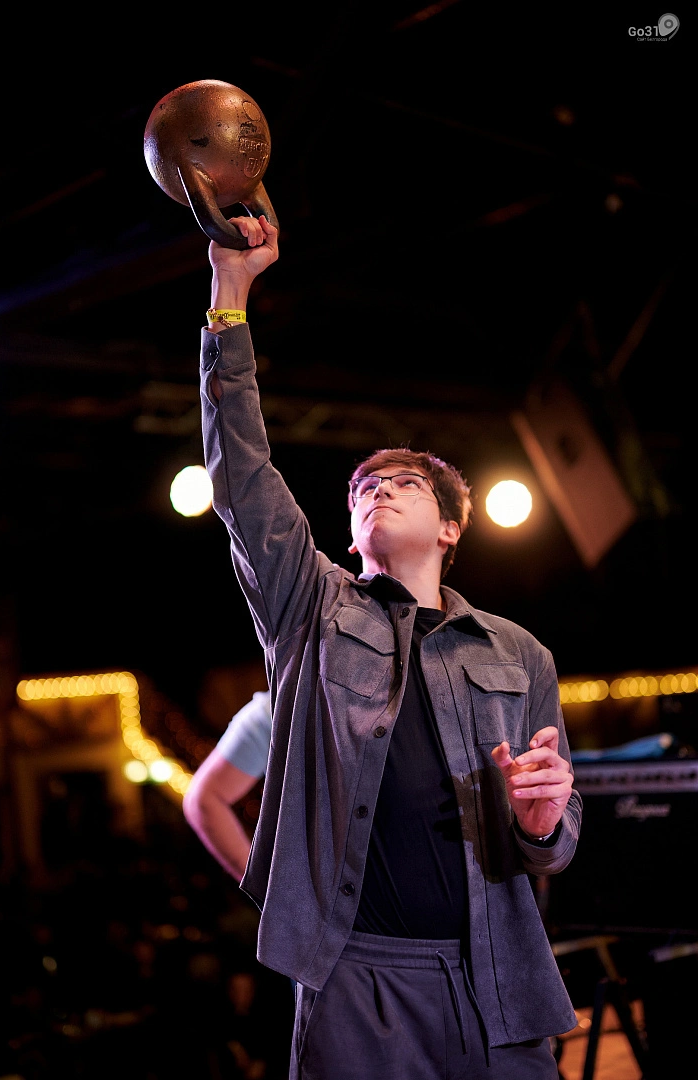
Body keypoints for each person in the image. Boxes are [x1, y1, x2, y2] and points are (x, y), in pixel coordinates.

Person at [197, 214, 582, 1080]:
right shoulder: (311, 608)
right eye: (365, 488)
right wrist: (231, 291)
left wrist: (543, 823)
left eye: (405, 483)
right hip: (359, 980)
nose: (379, 490)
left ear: (450, 529)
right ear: (350, 534)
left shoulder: (520, 652)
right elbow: (242, 474)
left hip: (499, 978)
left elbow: (559, 838)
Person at [183, 690, 272, 882]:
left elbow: (203, 800)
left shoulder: (275, 708)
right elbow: (202, 800)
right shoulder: (276, 711)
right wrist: (268, 889)